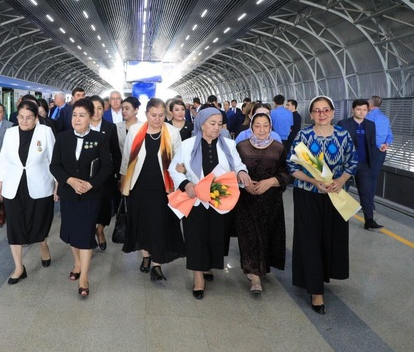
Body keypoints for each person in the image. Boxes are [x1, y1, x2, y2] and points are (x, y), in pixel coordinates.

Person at [168, 108, 250, 299]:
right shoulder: (187, 145)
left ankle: (207, 266)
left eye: (219, 124)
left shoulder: (228, 145)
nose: (217, 127)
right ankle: (198, 277)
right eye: (212, 123)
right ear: (201, 124)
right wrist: (186, 183)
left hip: (218, 198)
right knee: (195, 236)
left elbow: (238, 164)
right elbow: (174, 168)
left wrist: (242, 172)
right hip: (195, 198)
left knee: (215, 236)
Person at [288, 96, 356, 315]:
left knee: (330, 238)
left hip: (335, 195)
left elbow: (352, 162)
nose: (322, 114)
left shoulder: (343, 135)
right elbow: (292, 165)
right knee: (310, 239)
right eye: (317, 111)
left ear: (333, 112)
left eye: (326, 110)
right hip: (308, 195)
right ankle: (315, 290)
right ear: (312, 114)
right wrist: (313, 180)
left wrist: (341, 181)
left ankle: (322, 276)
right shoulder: (303, 136)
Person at [51, 99, 113, 298]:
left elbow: (107, 167)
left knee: (86, 234)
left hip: (91, 195)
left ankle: (84, 277)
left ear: (91, 117)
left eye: (82, 115)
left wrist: (90, 184)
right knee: (71, 233)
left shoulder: (100, 138)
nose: (77, 119)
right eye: (74, 115)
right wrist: (69, 180)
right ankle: (77, 262)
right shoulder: (62, 138)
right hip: (69, 194)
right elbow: (55, 165)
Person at [120, 98, 185, 281]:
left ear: (166, 114)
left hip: (163, 187)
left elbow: (179, 161)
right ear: (146, 114)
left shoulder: (172, 132)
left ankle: (157, 264)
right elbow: (127, 158)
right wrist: (123, 182)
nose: (157, 119)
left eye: (161, 115)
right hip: (138, 186)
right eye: (153, 115)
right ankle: (146, 256)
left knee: (158, 225)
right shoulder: (134, 130)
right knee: (142, 223)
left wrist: (181, 175)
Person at [0, 101, 56, 284]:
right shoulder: (10, 133)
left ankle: (43, 244)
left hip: (39, 185)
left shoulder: (45, 132)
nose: (24, 121)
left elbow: (54, 159)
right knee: (14, 225)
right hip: (14, 186)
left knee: (39, 221)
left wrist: (57, 184)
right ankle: (19, 267)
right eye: (21, 117)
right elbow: (3, 160)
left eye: (29, 117)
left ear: (36, 118)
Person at [235, 113, 289, 294]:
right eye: (257, 125)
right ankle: (254, 276)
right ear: (251, 127)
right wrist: (245, 184)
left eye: (265, 125)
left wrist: (270, 182)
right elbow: (233, 169)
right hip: (246, 200)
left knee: (266, 235)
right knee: (248, 237)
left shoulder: (278, 148)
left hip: (270, 201)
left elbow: (286, 173)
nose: (261, 130)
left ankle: (261, 267)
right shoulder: (241, 147)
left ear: (270, 127)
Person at [337, 99, 382, 230]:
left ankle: (369, 221)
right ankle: (337, 217)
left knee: (366, 193)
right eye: (358, 109)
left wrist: (372, 162)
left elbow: (372, 144)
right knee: (341, 191)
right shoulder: (343, 124)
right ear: (353, 109)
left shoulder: (370, 125)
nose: (361, 112)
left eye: (364, 110)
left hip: (364, 164)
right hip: (347, 164)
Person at [87, 95, 121, 250]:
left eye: (100, 108)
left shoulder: (109, 127)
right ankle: (88, 235)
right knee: (89, 207)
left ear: (104, 109)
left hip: (106, 175)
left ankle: (100, 230)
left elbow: (115, 152)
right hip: (86, 176)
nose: (96, 112)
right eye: (93, 108)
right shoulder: (82, 126)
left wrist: (119, 175)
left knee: (105, 207)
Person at [365, 95, 393, 211]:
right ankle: (370, 203)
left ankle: (367, 204)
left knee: (365, 178)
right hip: (382, 151)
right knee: (374, 177)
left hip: (370, 150)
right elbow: (390, 135)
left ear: (370, 105)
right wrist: (386, 144)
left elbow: (369, 134)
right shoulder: (385, 117)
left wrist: (378, 145)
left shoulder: (369, 117)